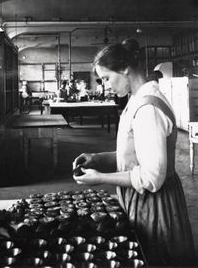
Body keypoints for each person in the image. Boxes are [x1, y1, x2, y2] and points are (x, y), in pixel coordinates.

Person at [73, 39, 196, 266]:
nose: (106, 85)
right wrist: (98, 159)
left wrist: (100, 178)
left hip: (156, 205)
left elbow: (150, 177)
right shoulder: (137, 100)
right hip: (143, 199)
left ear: (125, 69)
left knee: (157, 259)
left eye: (107, 78)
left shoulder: (148, 108)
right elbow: (137, 154)